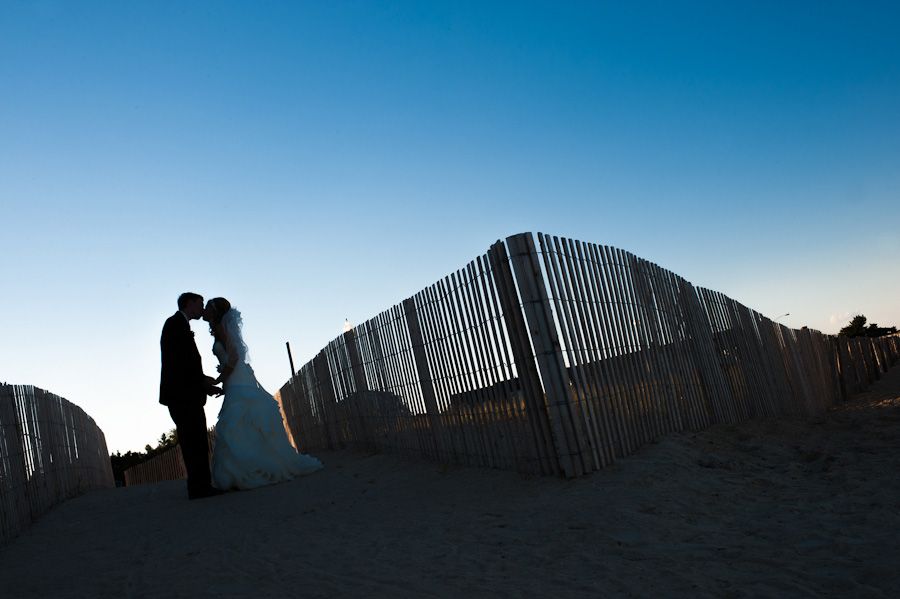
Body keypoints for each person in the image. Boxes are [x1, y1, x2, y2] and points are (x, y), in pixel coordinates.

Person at [203, 297, 323, 490]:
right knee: (243, 421)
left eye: (207, 308)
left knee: (236, 421)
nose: (204, 311)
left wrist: (219, 378)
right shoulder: (220, 329)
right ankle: (247, 468)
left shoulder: (220, 329)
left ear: (215, 311)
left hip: (237, 378)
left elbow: (234, 356)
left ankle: (246, 471)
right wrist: (224, 375)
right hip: (238, 378)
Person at [159, 292, 224, 500]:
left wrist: (205, 385)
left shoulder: (179, 324)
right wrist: (203, 382)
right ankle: (199, 487)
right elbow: (182, 363)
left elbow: (186, 364)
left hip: (186, 393)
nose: (202, 307)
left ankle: (200, 486)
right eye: (200, 303)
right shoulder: (175, 324)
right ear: (189, 303)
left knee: (195, 440)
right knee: (192, 441)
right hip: (182, 395)